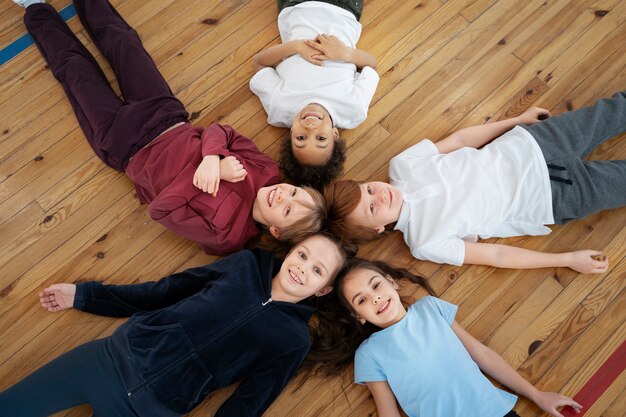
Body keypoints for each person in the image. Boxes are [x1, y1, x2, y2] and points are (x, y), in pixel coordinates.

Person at [14, 0, 326, 256]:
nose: (285, 196)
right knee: (123, 42)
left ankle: (35, 8)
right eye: (296, 193)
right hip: (165, 115)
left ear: (276, 231)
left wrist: (202, 178)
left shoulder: (225, 238)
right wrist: (212, 159)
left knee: (75, 70)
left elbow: (160, 211)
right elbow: (222, 131)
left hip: (125, 146)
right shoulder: (267, 171)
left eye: (288, 211)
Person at [0, 233, 348, 416]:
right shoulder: (244, 265)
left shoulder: (294, 340)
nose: (303, 268)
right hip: (104, 362)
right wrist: (85, 297)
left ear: (325, 288)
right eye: (303, 254)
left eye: (317, 270)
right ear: (290, 252)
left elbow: (250, 401)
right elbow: (166, 290)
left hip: (149, 410)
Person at [324, 93, 626, 273]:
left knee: (613, 111)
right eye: (373, 208)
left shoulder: (402, 165)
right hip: (553, 197)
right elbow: (497, 255)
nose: (379, 195)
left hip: (534, 143)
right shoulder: (424, 241)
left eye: (368, 190)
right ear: (378, 229)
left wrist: (516, 120)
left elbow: (460, 139)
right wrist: (567, 259)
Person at [309, 258, 583, 417]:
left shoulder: (429, 307)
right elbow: (388, 412)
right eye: (362, 300)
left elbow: (483, 355)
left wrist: (536, 395)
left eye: (376, 285)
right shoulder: (369, 353)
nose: (376, 297)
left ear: (392, 281)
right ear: (360, 317)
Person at [250, 0, 379, 189]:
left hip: (297, 6)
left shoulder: (279, 107)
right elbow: (372, 65)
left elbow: (259, 63)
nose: (310, 127)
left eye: (301, 138)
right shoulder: (354, 109)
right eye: (321, 138)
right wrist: (345, 53)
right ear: (335, 135)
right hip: (344, 9)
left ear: (292, 133)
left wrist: (296, 46)